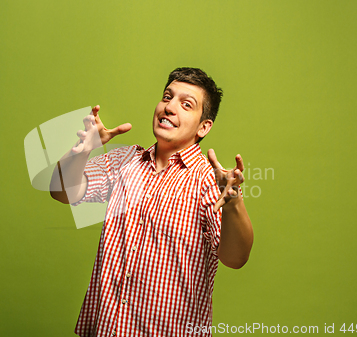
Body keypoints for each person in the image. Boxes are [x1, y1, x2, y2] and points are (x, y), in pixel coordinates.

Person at [50, 67, 254, 336]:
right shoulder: (125, 161)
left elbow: (235, 258)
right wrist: (82, 152)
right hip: (106, 329)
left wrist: (234, 204)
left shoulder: (209, 182)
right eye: (167, 97)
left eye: (186, 104)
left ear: (204, 126)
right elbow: (61, 191)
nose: (169, 107)